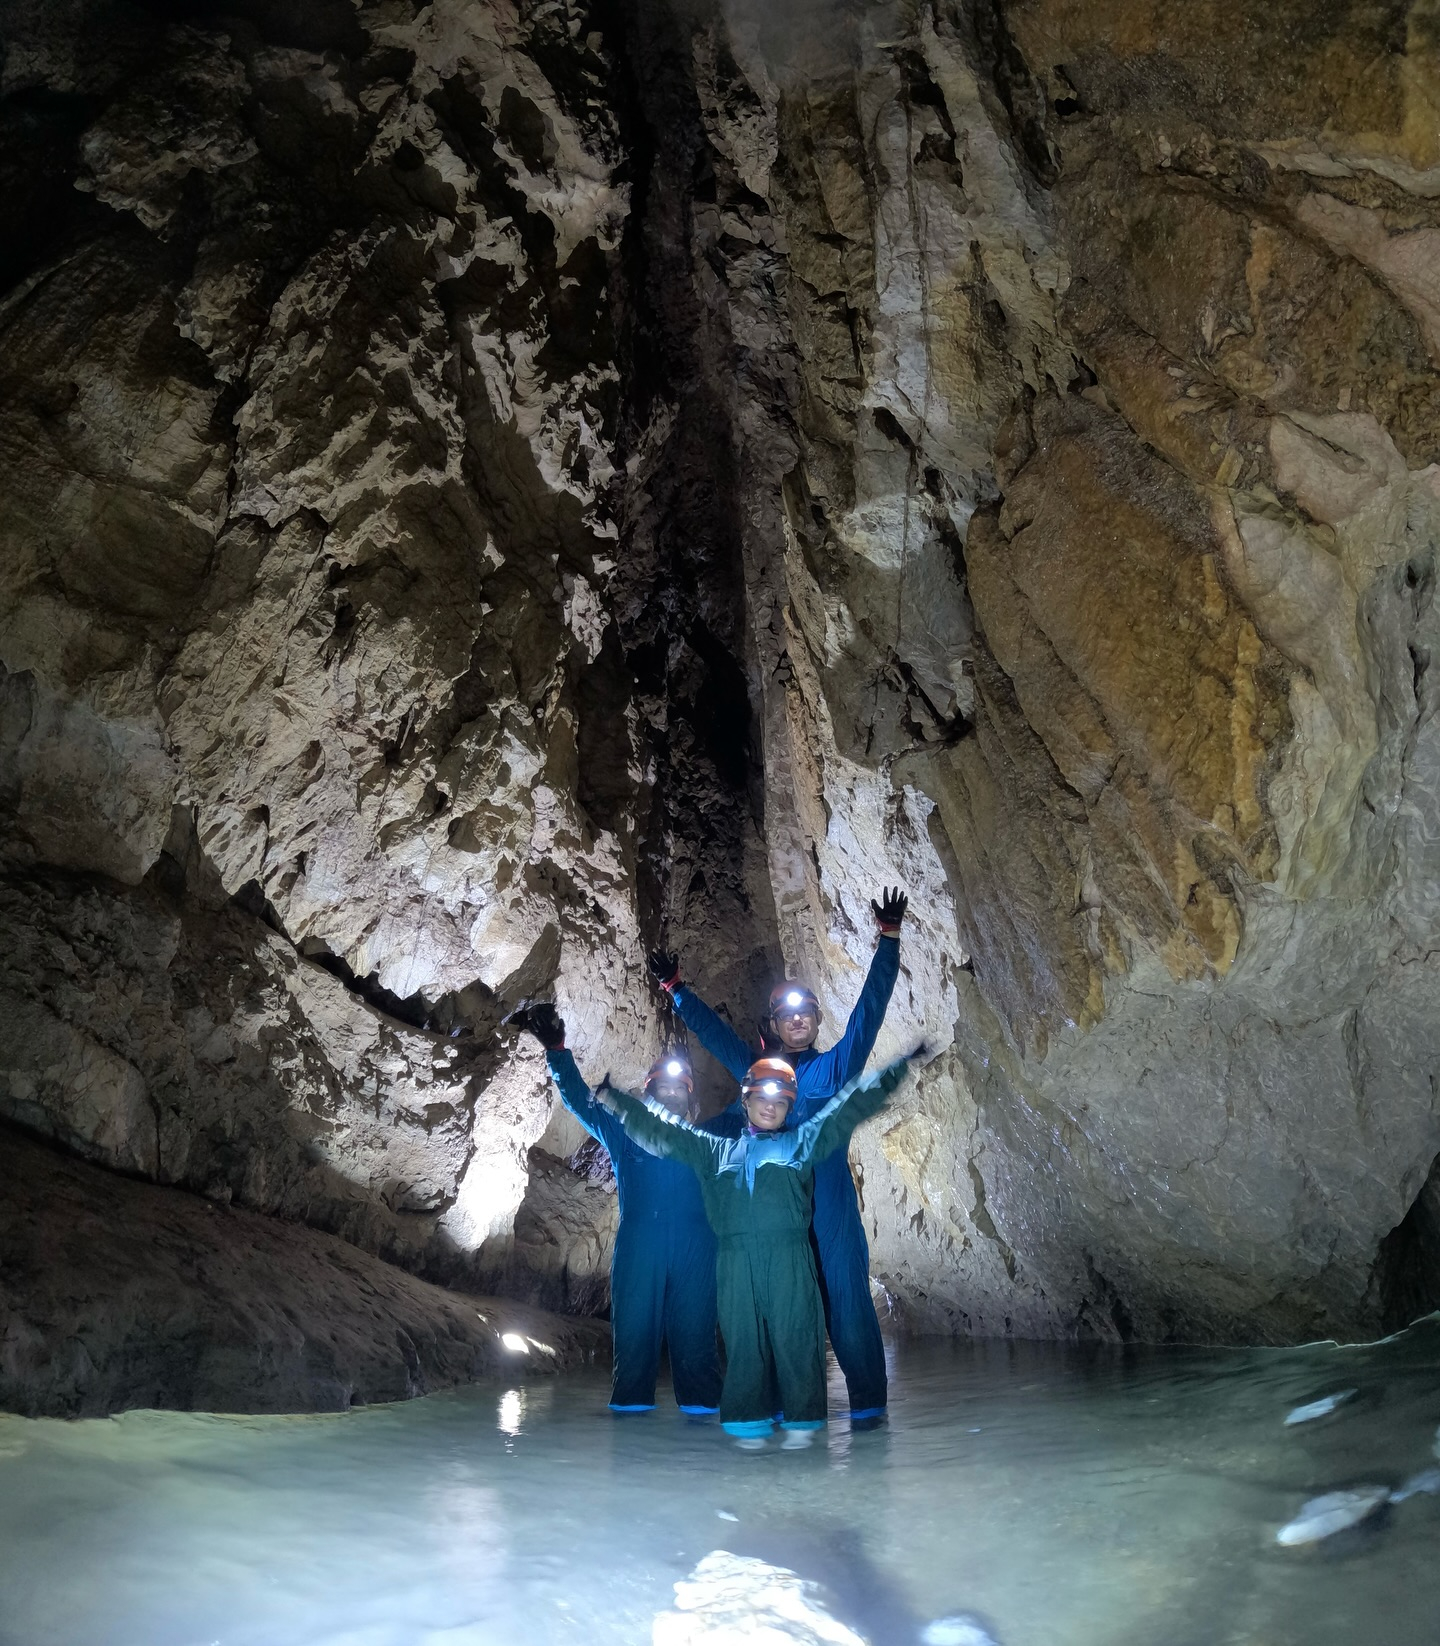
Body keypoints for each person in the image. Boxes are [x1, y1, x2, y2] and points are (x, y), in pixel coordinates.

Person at [648, 887, 908, 1423]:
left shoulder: (830, 1072)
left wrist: (887, 942)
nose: (797, 1020)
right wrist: (676, 990)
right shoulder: (757, 1075)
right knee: (770, 1317)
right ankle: (774, 1423)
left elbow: (867, 1018)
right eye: (786, 1014)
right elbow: (717, 1037)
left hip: (829, 1210)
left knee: (848, 1309)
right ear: (771, 1024)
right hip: (774, 1215)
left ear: (814, 1020)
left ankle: (869, 1421)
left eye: (806, 1012)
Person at [594, 1048, 922, 1447]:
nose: (770, 1107)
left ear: (788, 1107)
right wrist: (616, 1099)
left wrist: (896, 1069)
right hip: (735, 1264)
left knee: (799, 1343)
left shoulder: (801, 1143)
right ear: (745, 1100)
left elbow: (846, 1109)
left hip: (791, 1263)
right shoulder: (713, 1150)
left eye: (780, 1101)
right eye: (762, 1098)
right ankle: (749, 1437)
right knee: (744, 1350)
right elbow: (661, 1132)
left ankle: (804, 1439)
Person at [509, 1003, 720, 1417]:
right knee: (635, 1345)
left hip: (697, 1251)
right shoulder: (624, 1135)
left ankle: (704, 1448)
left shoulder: (707, 1142)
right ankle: (630, 1436)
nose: (673, 1094)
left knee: (697, 1348)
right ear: (649, 1093)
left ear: (689, 1100)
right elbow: (581, 1103)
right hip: (641, 1247)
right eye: (664, 1087)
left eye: (681, 1089)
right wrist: (558, 1051)